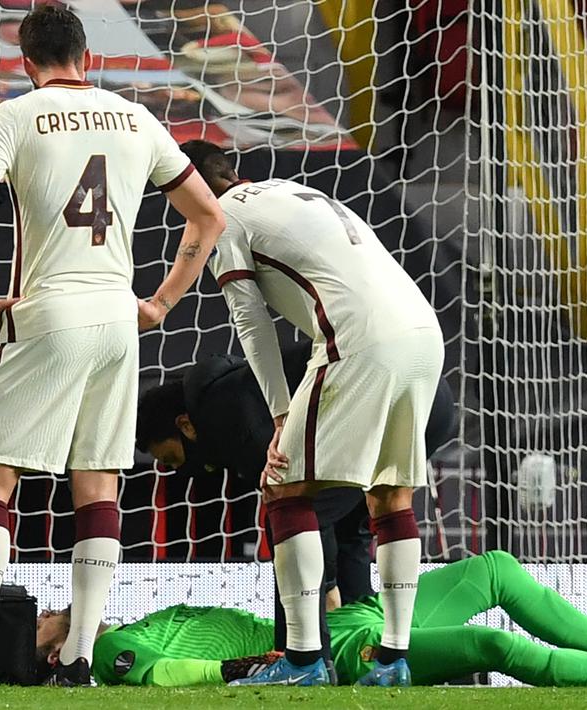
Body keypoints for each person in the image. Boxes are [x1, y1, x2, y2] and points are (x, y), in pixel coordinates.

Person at [0, 4, 225, 689]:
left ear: (26, 60)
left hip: (47, 311)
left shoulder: (15, 116)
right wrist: (160, 303)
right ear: (85, 54)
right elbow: (209, 214)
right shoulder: (136, 117)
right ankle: (76, 658)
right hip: (116, 319)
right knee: (98, 484)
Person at [179, 140, 442, 687]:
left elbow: (251, 324)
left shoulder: (222, 218)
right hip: (424, 333)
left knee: (284, 487)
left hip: (359, 340)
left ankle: (301, 661)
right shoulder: (297, 193)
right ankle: (393, 660)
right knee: (390, 494)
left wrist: (279, 414)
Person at [135, 344, 457, 661]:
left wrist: (327, 588)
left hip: (386, 399)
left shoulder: (230, 416)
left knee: (290, 521)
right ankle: (366, 644)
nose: (180, 470)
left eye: (172, 458)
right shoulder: (235, 393)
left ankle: (302, 656)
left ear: (186, 425)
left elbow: (303, 511)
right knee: (352, 525)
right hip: (430, 398)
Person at [35, 552, 587, 689]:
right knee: (488, 645)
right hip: (334, 657)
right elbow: (161, 676)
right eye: (37, 620)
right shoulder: (104, 655)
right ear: (45, 655)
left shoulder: (127, 623)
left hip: (342, 623)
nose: (51, 609)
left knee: (494, 571)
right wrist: (248, 667)